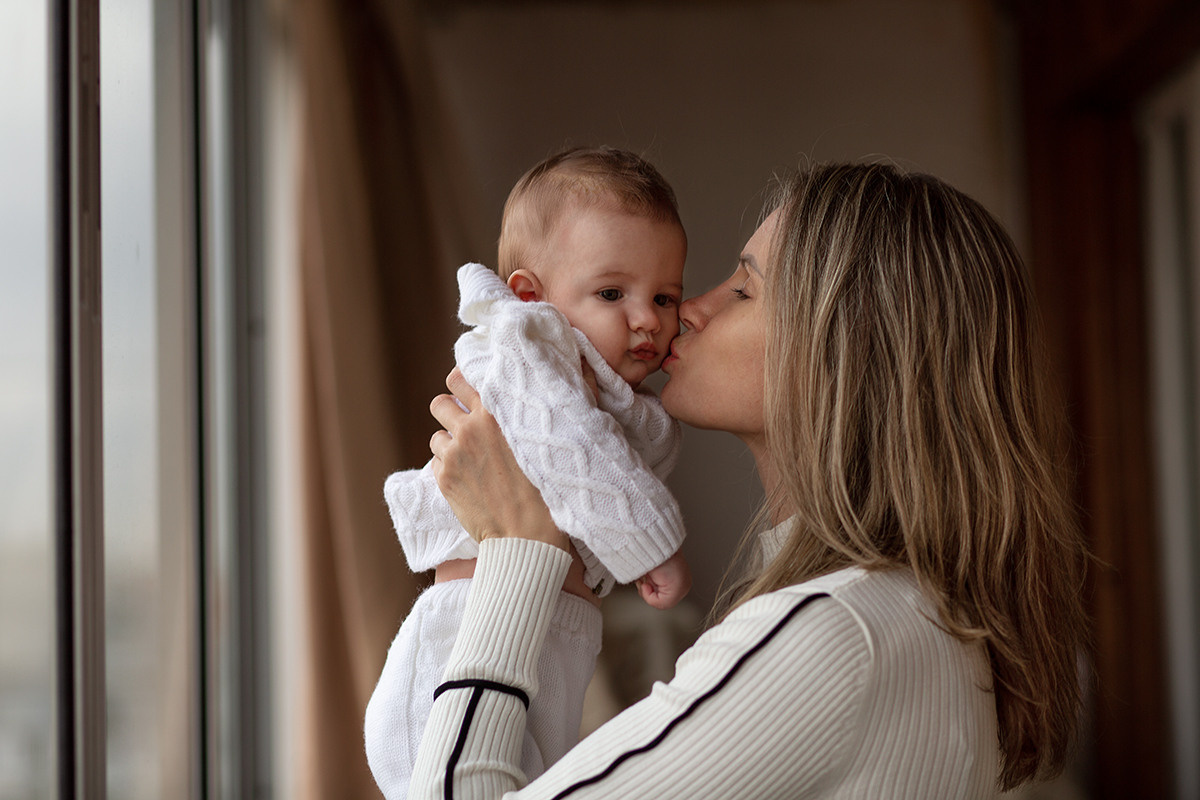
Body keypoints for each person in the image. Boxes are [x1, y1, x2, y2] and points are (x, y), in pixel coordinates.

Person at [407, 161, 1090, 798]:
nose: (688, 311)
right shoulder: (909, 618)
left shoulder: (831, 633)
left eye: (743, 288)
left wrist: (515, 549)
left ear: (840, 351)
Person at [365, 147, 694, 799]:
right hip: (459, 644)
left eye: (664, 296)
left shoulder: (604, 390)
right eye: (612, 293)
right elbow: (580, 451)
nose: (647, 318)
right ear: (531, 296)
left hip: (548, 638)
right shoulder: (529, 352)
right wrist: (653, 543)